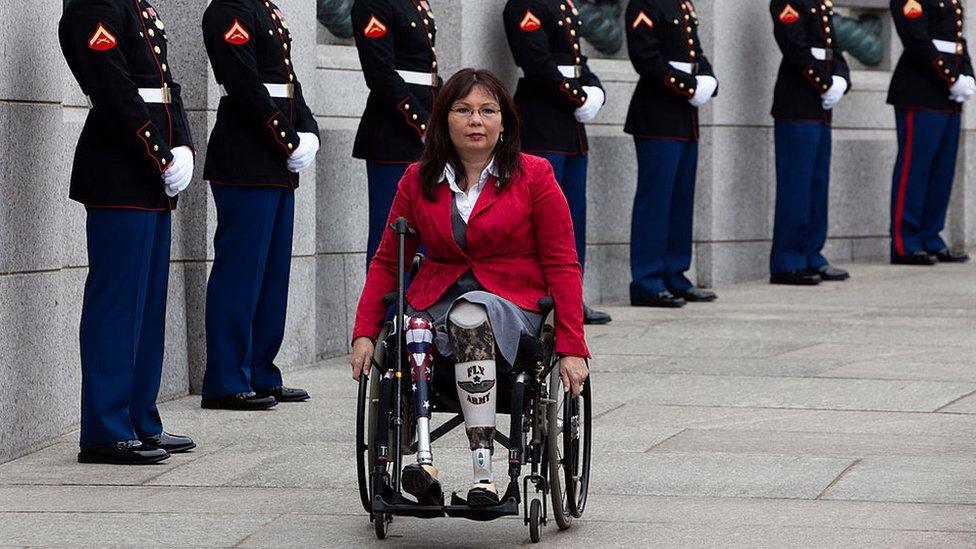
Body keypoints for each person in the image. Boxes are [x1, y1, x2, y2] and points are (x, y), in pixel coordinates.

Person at [349, 69, 590, 506]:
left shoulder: (535, 175)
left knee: (472, 312)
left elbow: (562, 263)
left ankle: (485, 475)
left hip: (512, 305)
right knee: (415, 325)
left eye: (487, 110)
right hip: (435, 300)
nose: (475, 120)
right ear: (444, 120)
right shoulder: (417, 178)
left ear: (504, 121)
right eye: (463, 110)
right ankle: (420, 461)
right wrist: (365, 332)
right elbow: (388, 259)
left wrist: (573, 345)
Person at [59, 0, 196, 464]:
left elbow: (166, 84)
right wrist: (160, 154)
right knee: (116, 307)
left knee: (147, 306)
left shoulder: (137, 6)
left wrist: (185, 145)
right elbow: (113, 88)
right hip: (122, 168)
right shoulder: (93, 4)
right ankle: (104, 429)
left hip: (150, 173)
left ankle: (140, 418)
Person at [200, 0, 320, 410]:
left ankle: (261, 370)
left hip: (275, 161)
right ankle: (225, 379)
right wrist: (288, 139)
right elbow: (245, 85)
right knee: (240, 274)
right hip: (246, 156)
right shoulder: (228, 9)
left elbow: (287, 80)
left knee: (272, 275)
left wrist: (309, 130)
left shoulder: (266, 9)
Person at [502, 0, 612, 325]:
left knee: (572, 215)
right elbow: (537, 64)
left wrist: (595, 90)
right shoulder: (526, 5)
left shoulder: (562, 4)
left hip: (568, 125)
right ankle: (538, 297)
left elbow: (577, 61)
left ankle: (570, 297)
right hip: (542, 120)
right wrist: (579, 97)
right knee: (541, 217)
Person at [624, 0, 718, 308]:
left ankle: (675, 274)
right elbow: (646, 57)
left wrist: (707, 77)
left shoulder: (683, 4)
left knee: (680, 201)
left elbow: (695, 52)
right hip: (657, 115)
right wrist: (688, 85)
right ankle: (647, 281)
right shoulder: (644, 5)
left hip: (684, 118)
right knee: (656, 202)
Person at [768, 0, 852, 285]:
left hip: (819, 106)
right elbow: (795, 47)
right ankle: (787, 260)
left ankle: (811, 254)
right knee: (796, 186)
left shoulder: (820, 3)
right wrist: (824, 82)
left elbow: (833, 47)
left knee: (817, 184)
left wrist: (841, 78)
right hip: (798, 102)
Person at [351, 0, 441, 264]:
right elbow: (380, 74)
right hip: (394, 134)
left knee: (425, 237)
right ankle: (387, 307)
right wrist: (421, 123)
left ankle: (417, 306)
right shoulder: (374, 5)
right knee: (393, 238)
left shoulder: (417, 4)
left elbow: (428, 74)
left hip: (427, 135)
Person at [887, 0, 973, 265]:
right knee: (915, 169)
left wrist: (967, 74)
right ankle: (905, 243)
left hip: (947, 97)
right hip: (920, 91)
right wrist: (951, 77)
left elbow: (957, 40)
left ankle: (930, 236)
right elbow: (916, 39)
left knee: (942, 171)